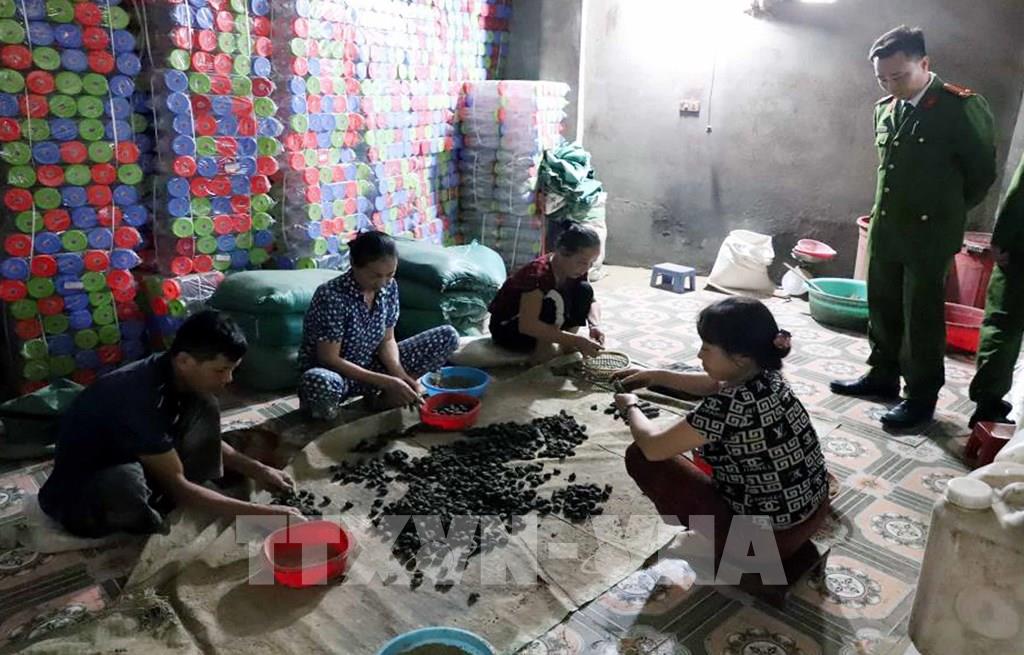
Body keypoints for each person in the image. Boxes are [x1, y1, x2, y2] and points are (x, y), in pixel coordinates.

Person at [831, 25, 997, 429]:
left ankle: (920, 397)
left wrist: (943, 212)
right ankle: (882, 374)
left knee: (920, 318)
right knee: (883, 306)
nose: (891, 85)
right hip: (888, 228)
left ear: (924, 64)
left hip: (929, 234)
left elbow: (981, 175)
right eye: (882, 79)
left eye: (899, 76)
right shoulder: (885, 109)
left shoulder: (960, 107)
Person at [38, 310, 304, 538]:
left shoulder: (174, 372)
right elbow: (179, 488)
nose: (229, 379)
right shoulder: (140, 398)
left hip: (135, 450)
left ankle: (190, 483)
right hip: (81, 488)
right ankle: (147, 509)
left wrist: (259, 470)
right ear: (185, 360)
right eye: (220, 370)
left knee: (206, 405)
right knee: (126, 491)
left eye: (232, 369)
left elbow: (206, 440)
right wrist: (262, 514)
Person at [613, 297, 830, 564]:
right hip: (814, 512)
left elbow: (653, 446)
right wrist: (655, 375)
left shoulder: (728, 406)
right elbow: (714, 384)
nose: (699, 355)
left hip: (765, 542)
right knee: (709, 447)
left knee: (642, 456)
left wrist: (630, 407)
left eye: (706, 348)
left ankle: (722, 545)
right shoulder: (768, 375)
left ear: (740, 357)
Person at [298, 230, 459, 419]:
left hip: (371, 366)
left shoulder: (389, 287)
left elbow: (387, 339)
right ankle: (335, 412)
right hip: (337, 376)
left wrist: (399, 375)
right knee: (317, 381)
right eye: (375, 276)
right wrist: (386, 381)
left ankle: (380, 401)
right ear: (354, 264)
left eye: (390, 274)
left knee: (447, 336)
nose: (383, 283)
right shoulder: (331, 296)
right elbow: (329, 358)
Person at [488, 221, 605, 362]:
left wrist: (595, 326)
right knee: (551, 301)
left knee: (584, 290)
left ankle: (566, 345)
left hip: (543, 323)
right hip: (509, 329)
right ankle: (541, 357)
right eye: (582, 262)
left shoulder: (577, 270)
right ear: (562, 252)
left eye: (591, 263)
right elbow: (528, 325)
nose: (586, 268)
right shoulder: (537, 275)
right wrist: (577, 341)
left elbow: (592, 301)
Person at [969, 154, 1024, 426]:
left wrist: (1002, 239)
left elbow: (1019, 194)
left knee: (1003, 323)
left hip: (1019, 254)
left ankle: (988, 401)